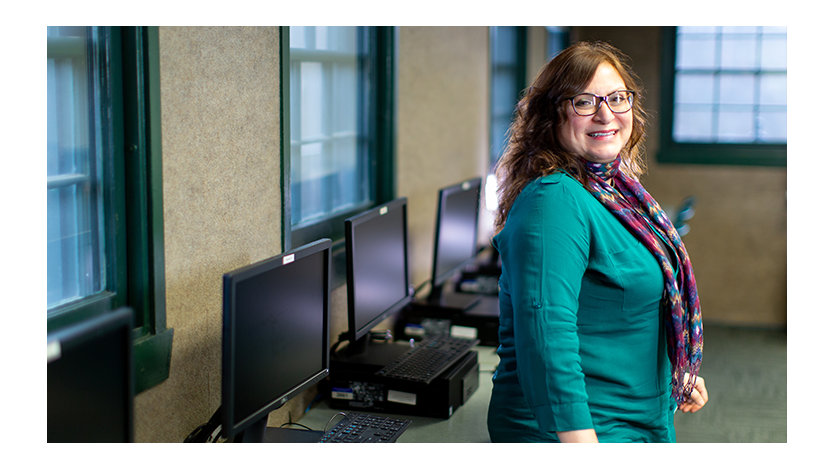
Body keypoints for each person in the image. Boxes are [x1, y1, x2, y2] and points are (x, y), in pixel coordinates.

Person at [486, 41, 708, 443]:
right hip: (583, 431)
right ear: (552, 115)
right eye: (584, 102)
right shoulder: (553, 200)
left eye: (617, 98)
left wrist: (671, 364)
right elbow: (547, 341)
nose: (605, 114)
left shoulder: (615, 191)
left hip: (634, 417)